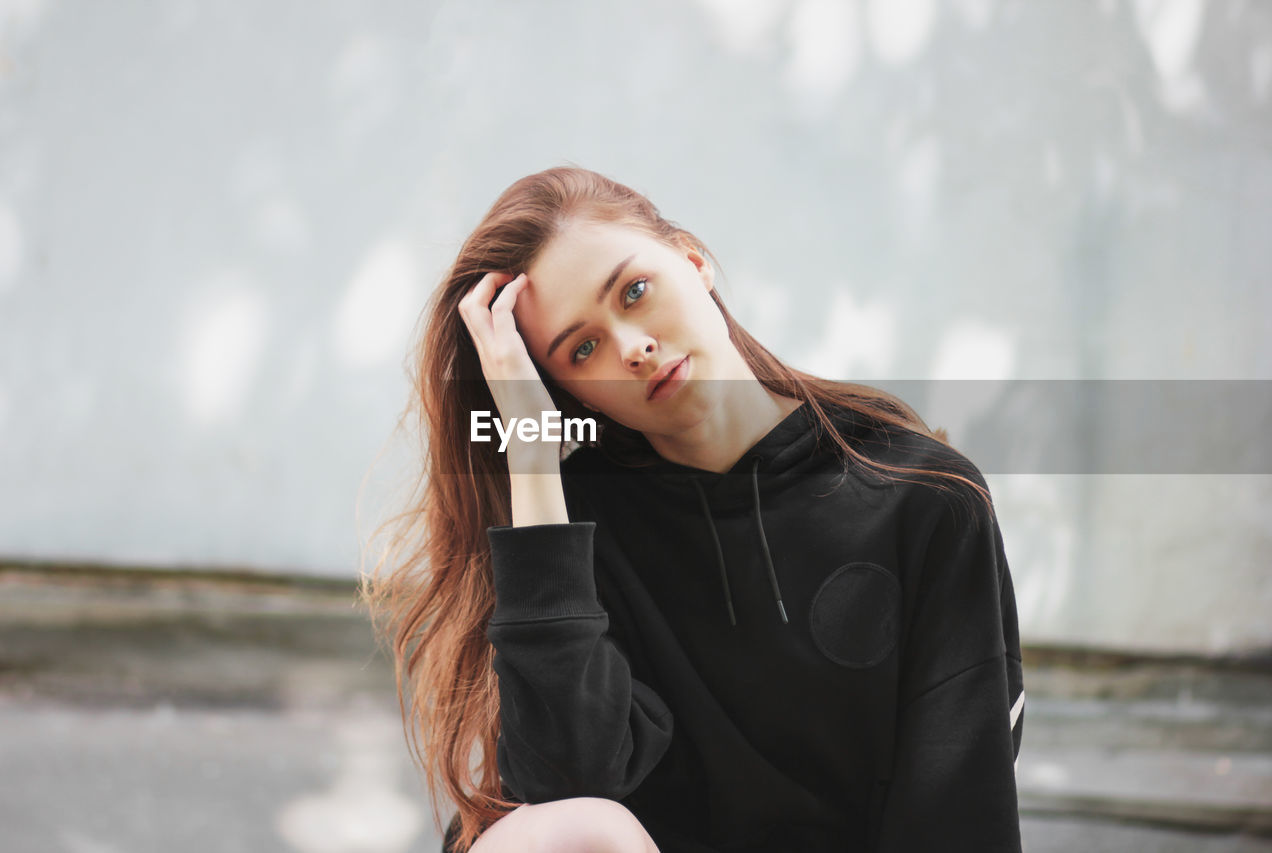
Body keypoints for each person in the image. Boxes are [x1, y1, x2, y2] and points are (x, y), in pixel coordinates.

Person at [363, 167, 1025, 853]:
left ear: (692, 259)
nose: (633, 347)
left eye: (635, 291)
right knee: (574, 828)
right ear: (568, 394)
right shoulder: (570, 527)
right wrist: (531, 458)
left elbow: (960, 808)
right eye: (584, 348)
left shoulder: (924, 499)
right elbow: (561, 782)